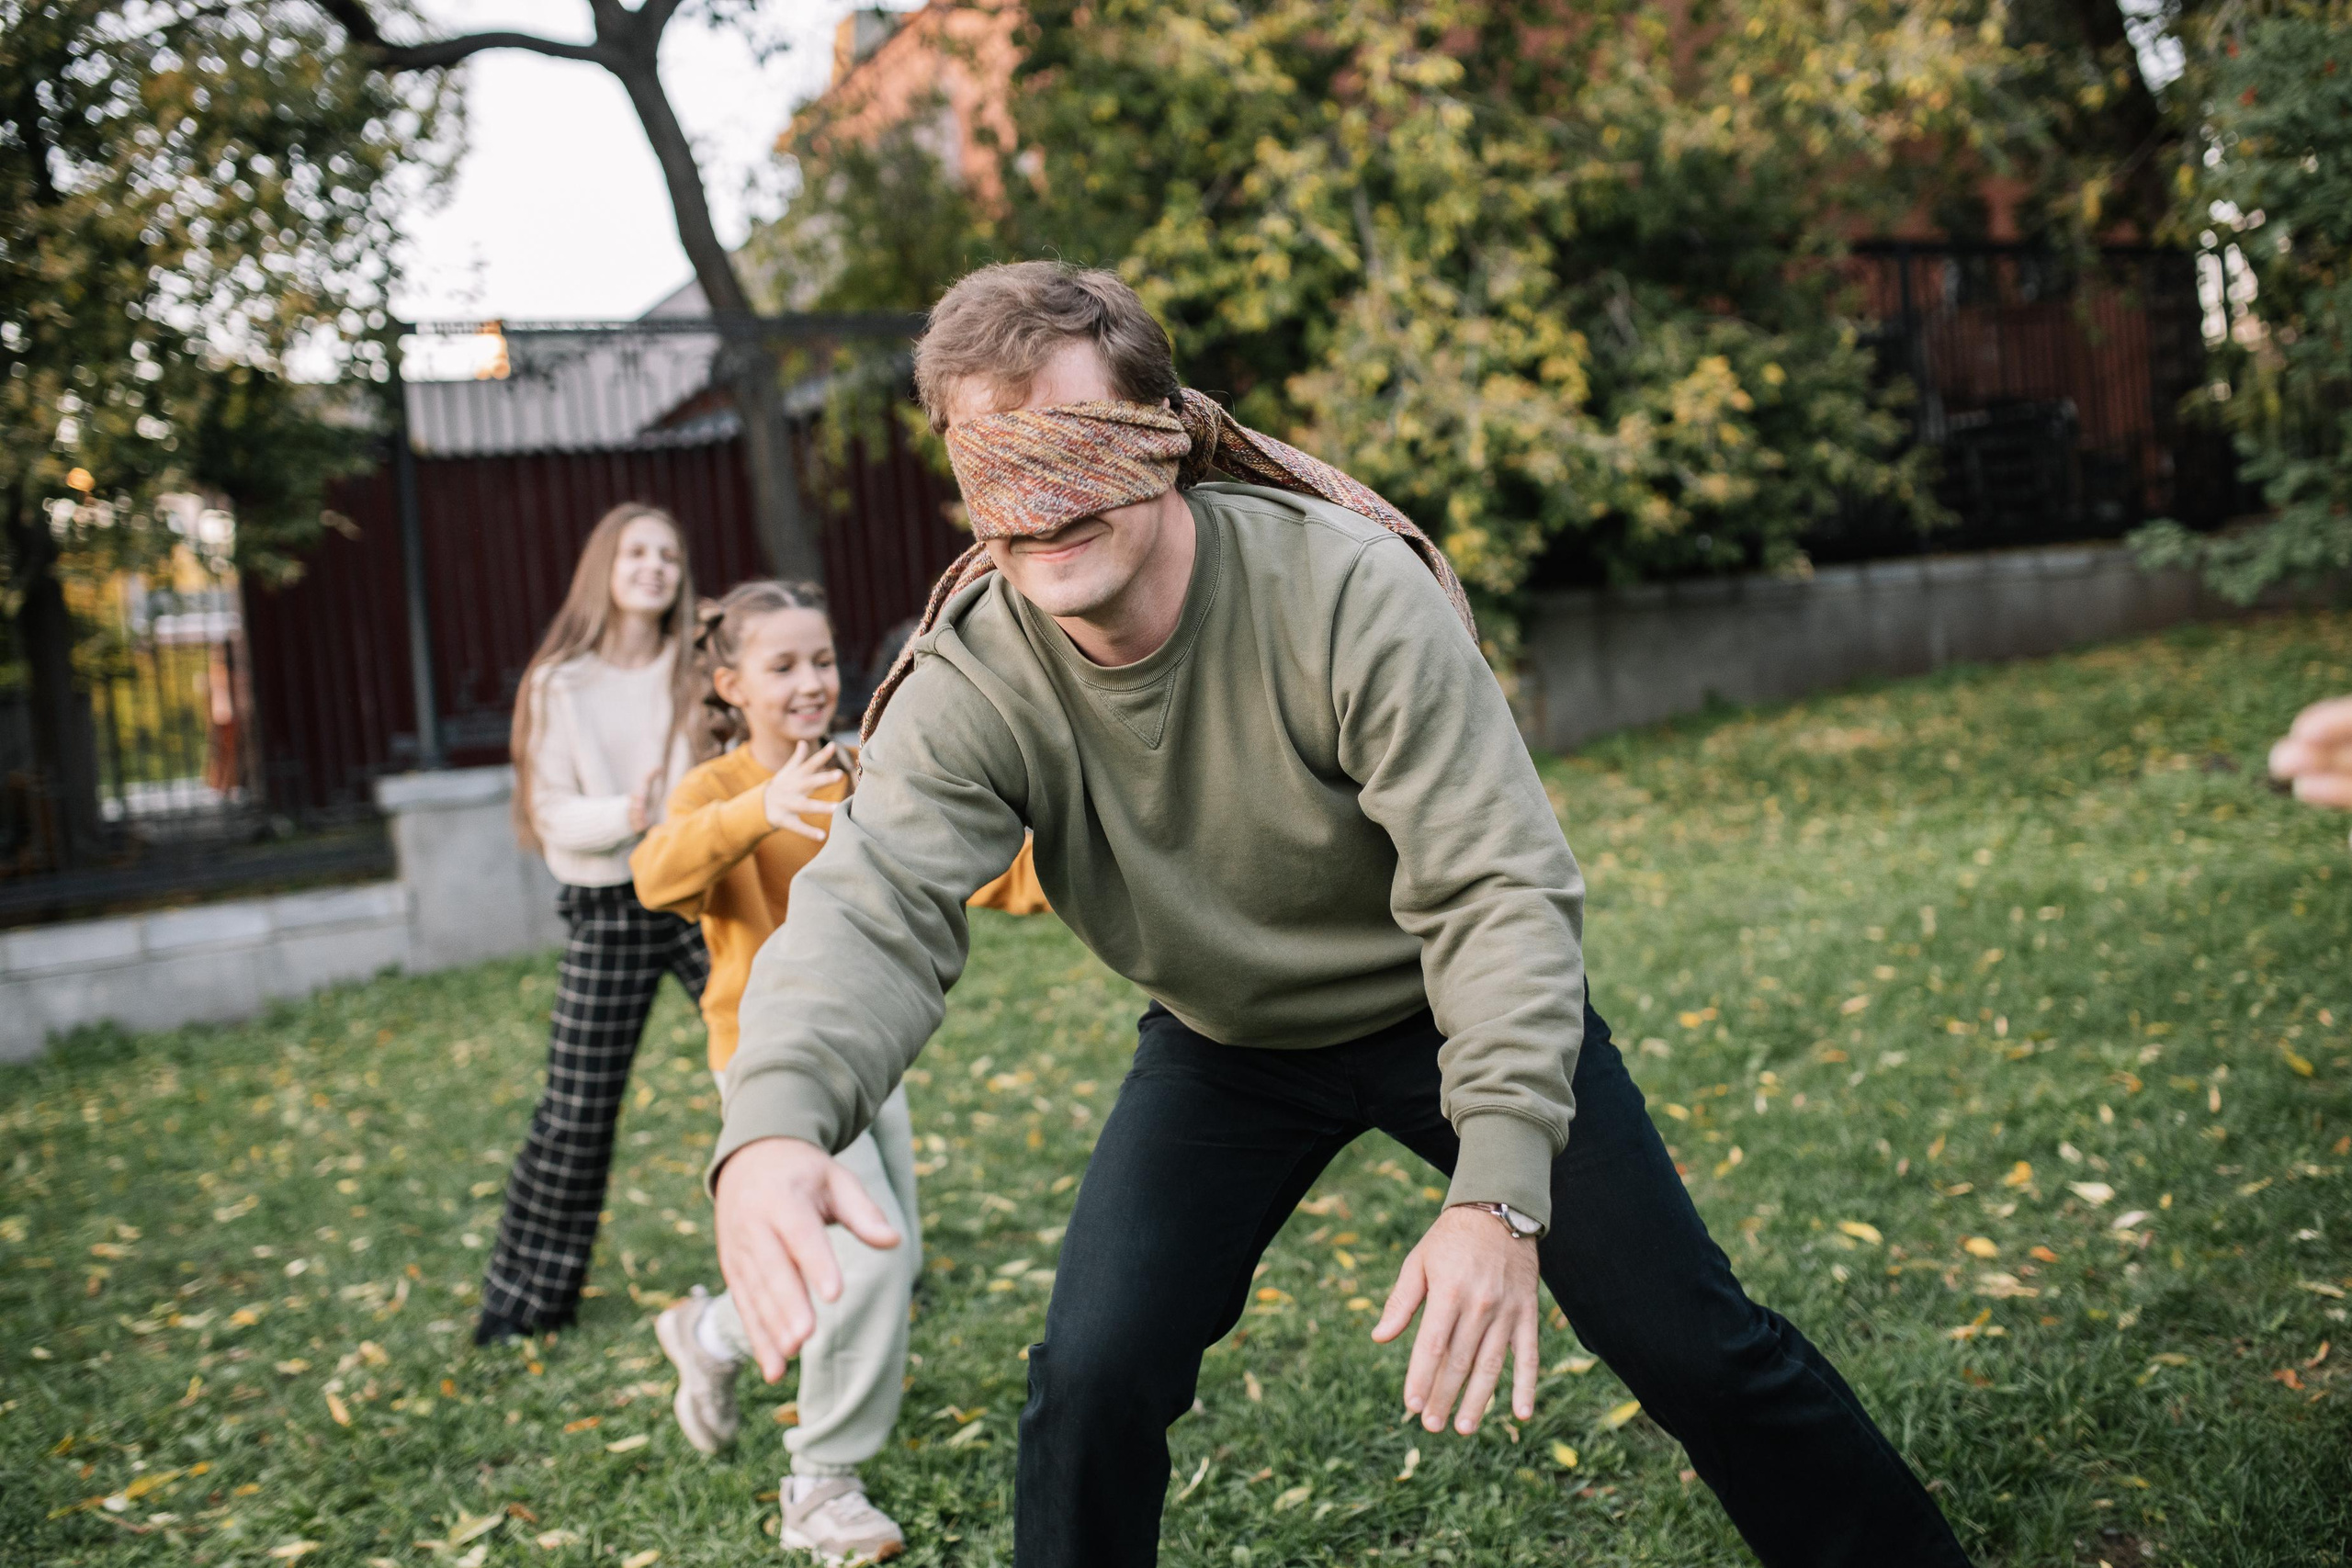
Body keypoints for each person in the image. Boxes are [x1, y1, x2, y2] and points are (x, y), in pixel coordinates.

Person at [706, 263, 1973, 1568]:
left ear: (1164, 443)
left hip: (1447, 1000)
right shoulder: (978, 669)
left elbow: (1495, 887)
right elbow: (872, 902)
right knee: (1091, 1376)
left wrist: (1499, 1195)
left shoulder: (1347, 591)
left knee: (1693, 1342)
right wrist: (773, 1125)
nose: (1041, 506)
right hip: (1227, 1044)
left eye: (1073, 444)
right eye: (998, 460)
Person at [630, 581, 1045, 1564]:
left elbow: (974, 862)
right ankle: (820, 1482)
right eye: (783, 667)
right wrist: (759, 811)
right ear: (730, 684)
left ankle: (715, 1334)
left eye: (820, 661)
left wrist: (1084, 863)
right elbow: (657, 875)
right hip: (769, 1073)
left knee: (882, 1263)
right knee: (872, 1259)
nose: (812, 682)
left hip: (871, 1057)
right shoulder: (717, 791)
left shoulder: (865, 770)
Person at [476, 502, 710, 1347]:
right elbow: (549, 814)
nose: (655, 567)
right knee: (576, 1109)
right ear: (604, 567)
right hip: (612, 904)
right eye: (638, 552)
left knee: (776, 1062)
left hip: (694, 890)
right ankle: (525, 1300)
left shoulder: (697, 668)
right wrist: (630, 810)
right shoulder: (559, 682)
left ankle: (853, 1266)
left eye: (670, 556)